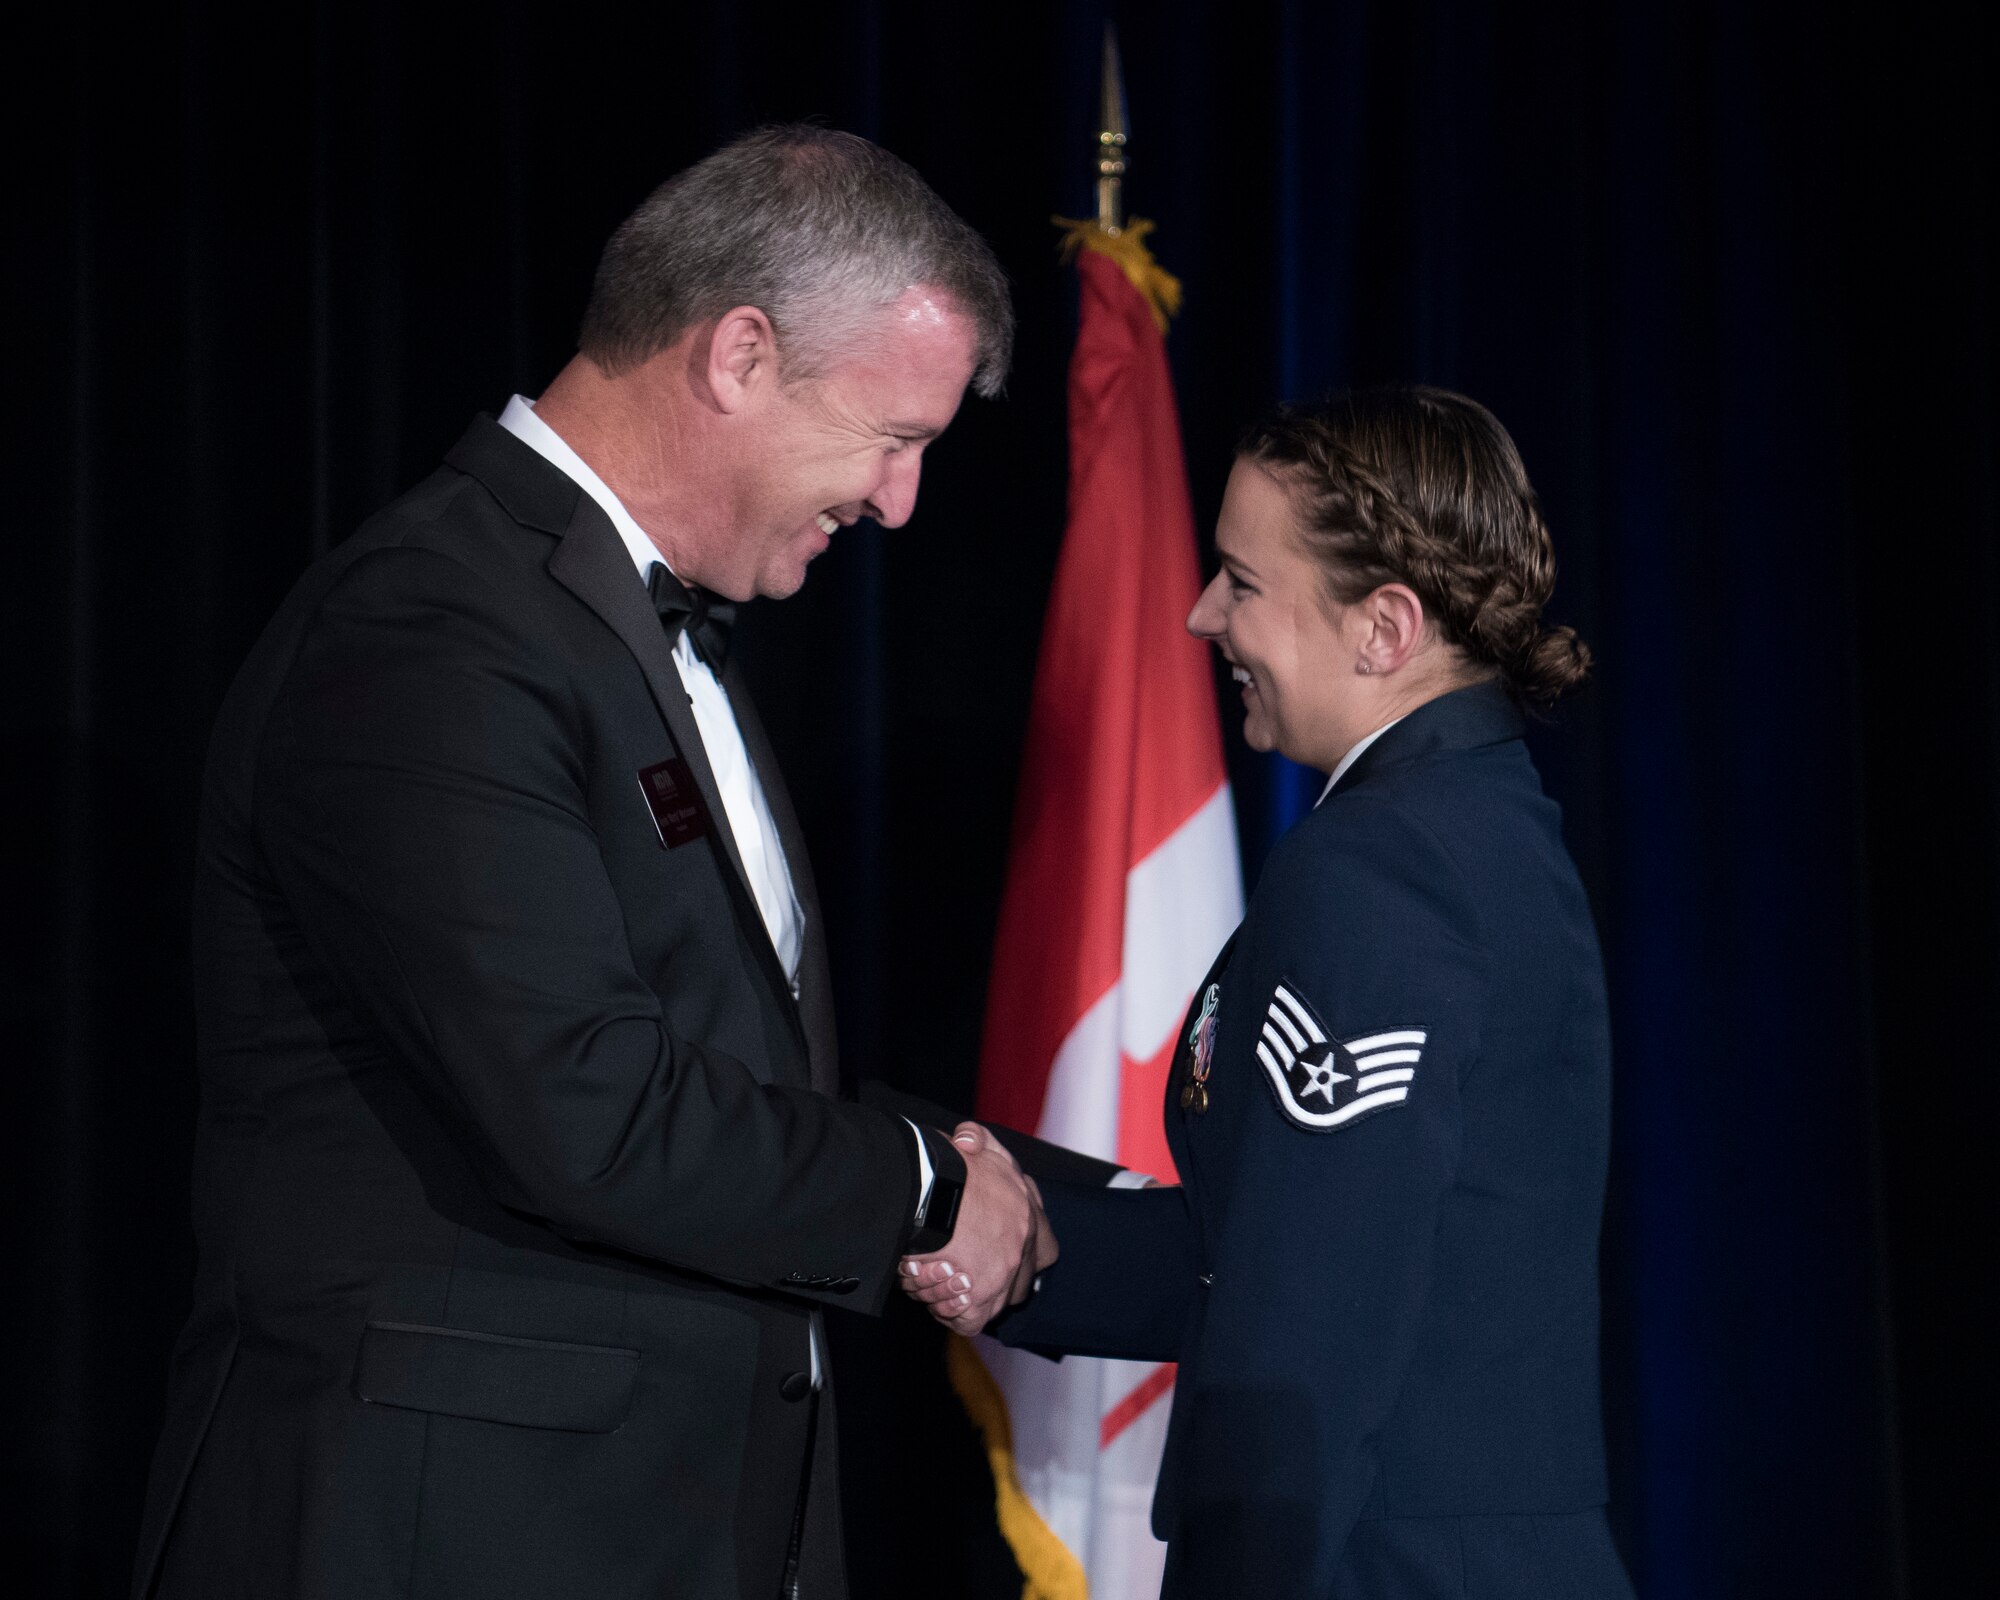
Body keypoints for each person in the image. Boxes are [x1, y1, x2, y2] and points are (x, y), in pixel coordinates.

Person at [132, 126, 1060, 1600]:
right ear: (739, 354)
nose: (900, 503)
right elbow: (589, 1103)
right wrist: (922, 1190)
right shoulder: (430, 626)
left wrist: (1058, 1203)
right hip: (448, 1541)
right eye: (895, 439)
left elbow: (722, 1074)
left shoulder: (636, 631)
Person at [906, 387, 1635, 1597]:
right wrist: (1010, 1219)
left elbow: (1301, 1341)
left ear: (1384, 628)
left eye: (1241, 583)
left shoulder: (1383, 865)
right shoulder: (1475, 823)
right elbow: (1273, 1241)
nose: (1201, 617)